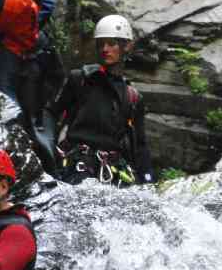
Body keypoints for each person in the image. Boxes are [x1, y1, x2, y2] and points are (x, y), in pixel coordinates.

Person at [48, 14, 156, 185]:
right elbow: (52, 114)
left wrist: (148, 180)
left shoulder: (133, 97)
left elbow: (140, 146)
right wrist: (48, 150)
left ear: (127, 46)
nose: (105, 49)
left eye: (111, 43)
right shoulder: (80, 79)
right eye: (100, 44)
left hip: (111, 172)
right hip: (76, 165)